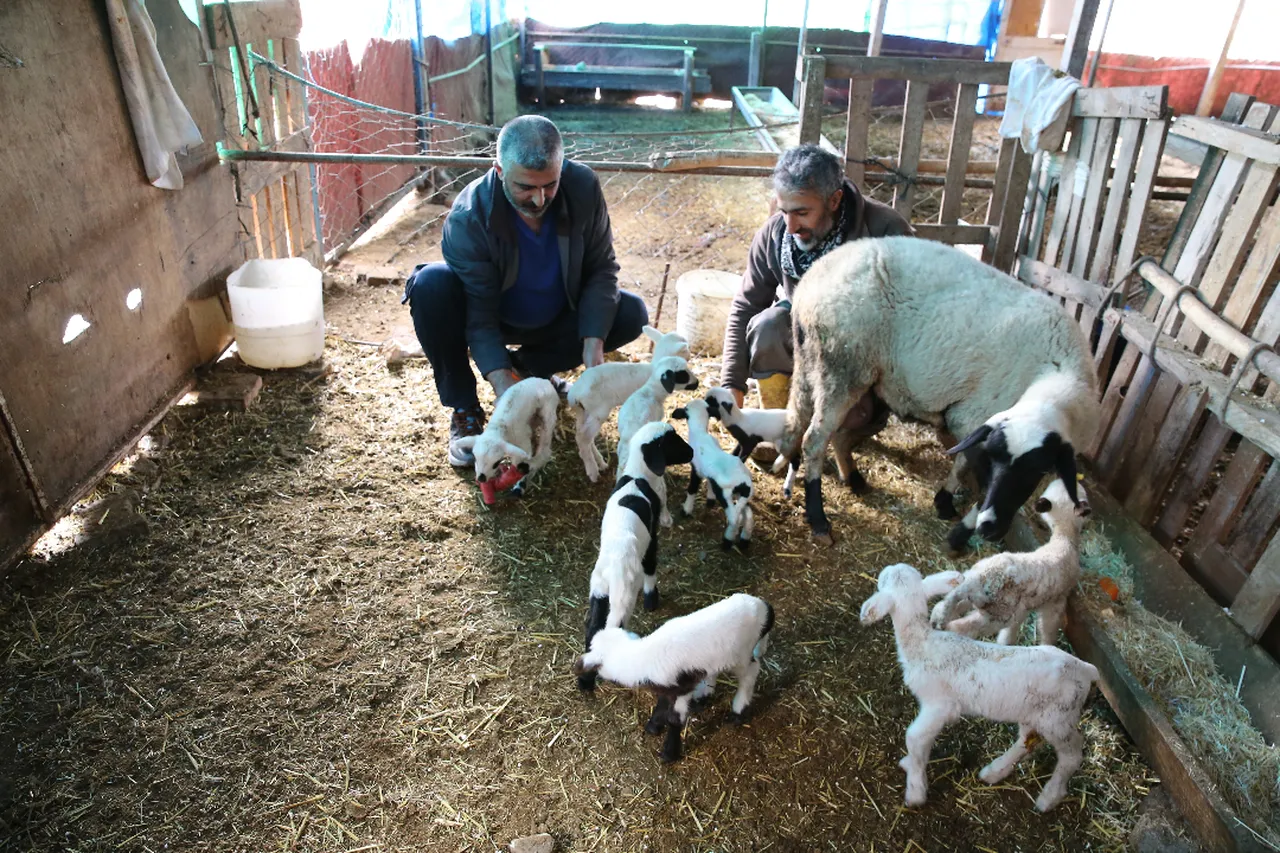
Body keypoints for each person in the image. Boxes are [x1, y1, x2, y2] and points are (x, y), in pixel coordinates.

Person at [404, 115, 648, 468]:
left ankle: (530, 371)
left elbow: (601, 269)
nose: (539, 199)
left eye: (549, 185)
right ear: (499, 171)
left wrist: (593, 350)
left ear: (562, 167)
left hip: (557, 314)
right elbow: (480, 316)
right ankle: (465, 409)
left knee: (630, 314)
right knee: (430, 287)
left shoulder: (582, 187)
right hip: (493, 315)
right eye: (525, 188)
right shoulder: (469, 217)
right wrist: (506, 393)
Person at [720, 144, 915, 412]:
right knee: (768, 326)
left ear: (833, 201)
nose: (790, 227)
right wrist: (731, 385)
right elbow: (747, 305)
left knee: (843, 423)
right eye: (783, 211)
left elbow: (910, 317)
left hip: (862, 354)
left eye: (802, 213)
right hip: (804, 339)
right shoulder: (775, 235)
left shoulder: (886, 231)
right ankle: (779, 424)